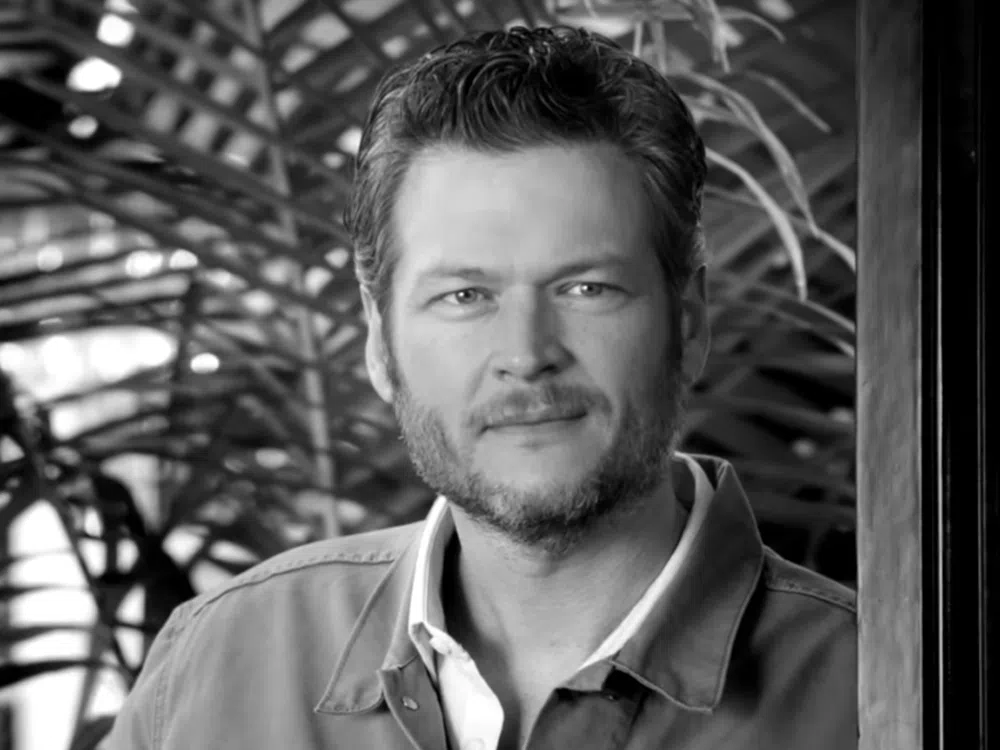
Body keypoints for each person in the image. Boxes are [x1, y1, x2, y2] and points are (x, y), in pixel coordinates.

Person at [105, 25, 856, 750]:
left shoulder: (877, 689)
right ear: (379, 339)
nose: (526, 356)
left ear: (687, 323)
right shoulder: (211, 670)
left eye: (586, 288)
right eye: (464, 296)